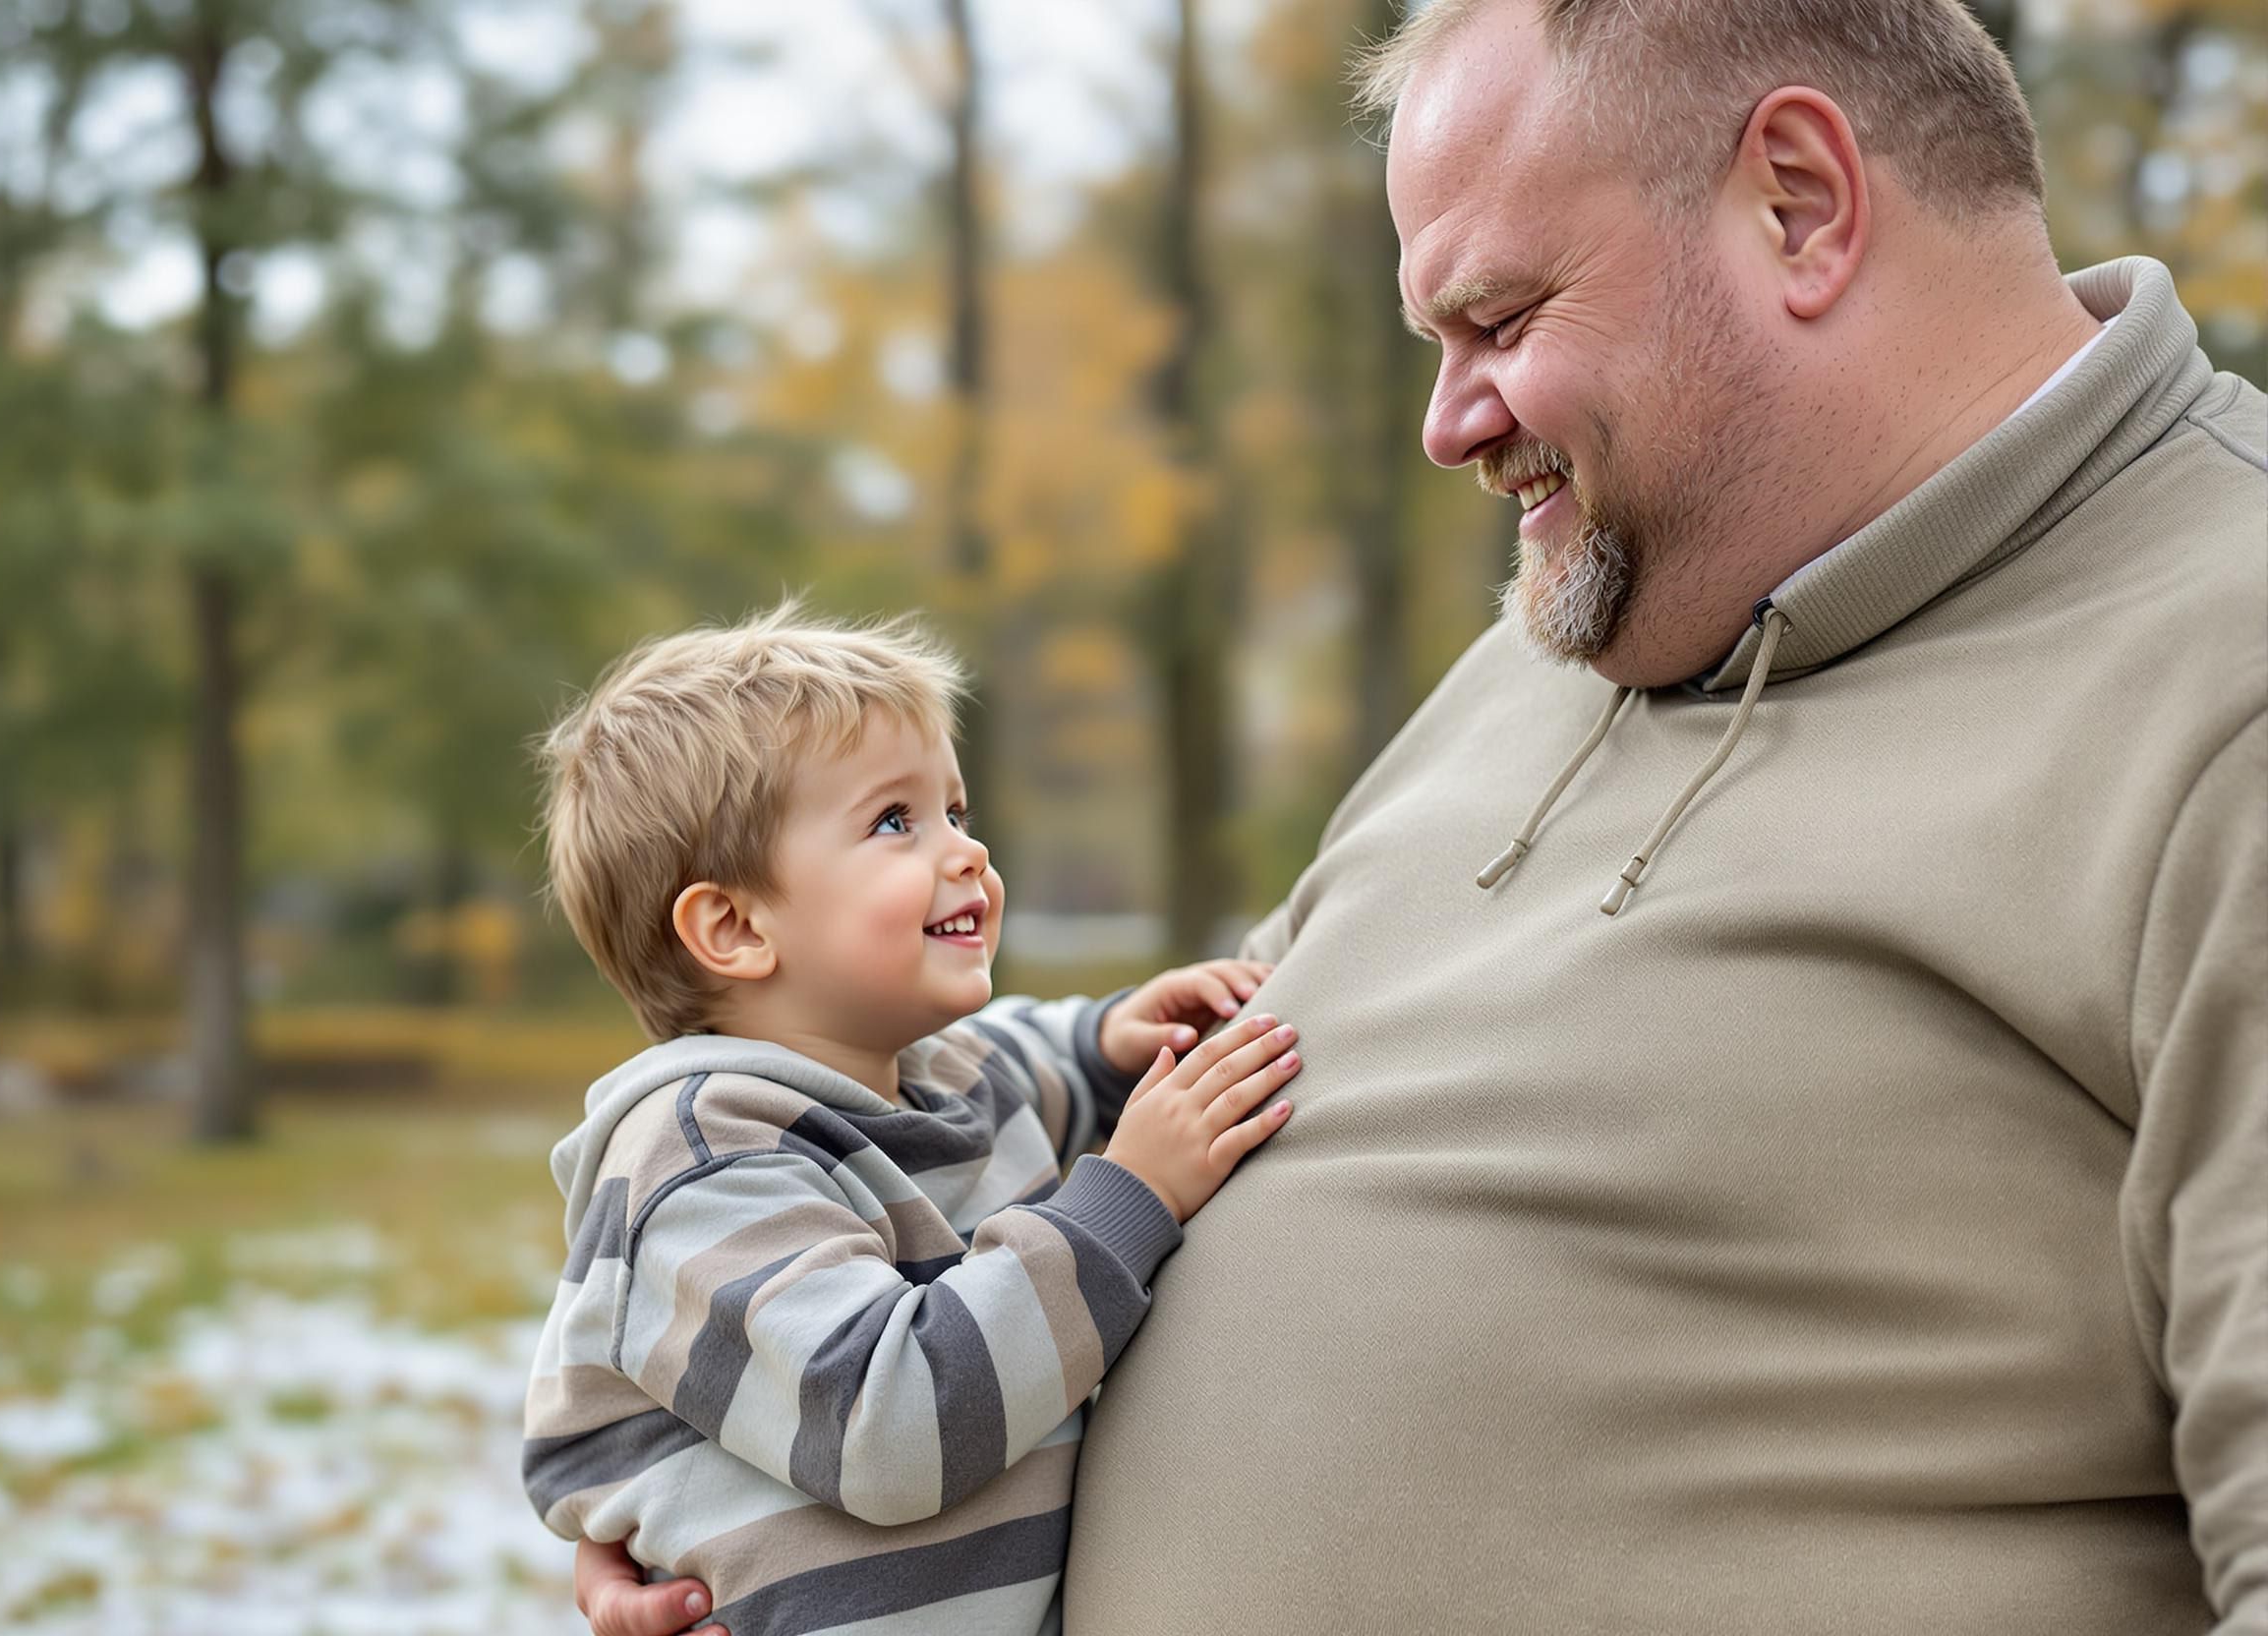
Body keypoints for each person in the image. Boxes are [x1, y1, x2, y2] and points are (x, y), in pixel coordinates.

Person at [574, 0, 2266, 1630]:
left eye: (1502, 318)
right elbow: (1151, 1123)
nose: (1450, 419)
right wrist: (734, 1490)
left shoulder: (2220, 681)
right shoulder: (1576, 612)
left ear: (1799, 205)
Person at [522, 606, 1302, 1636]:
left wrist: (1108, 1038)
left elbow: (1024, 1058)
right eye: (897, 821)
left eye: (956, 809)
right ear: (737, 926)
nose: (967, 852)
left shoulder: (933, 1074)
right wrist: (1130, 1198)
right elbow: (890, 1422)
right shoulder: (702, 1158)